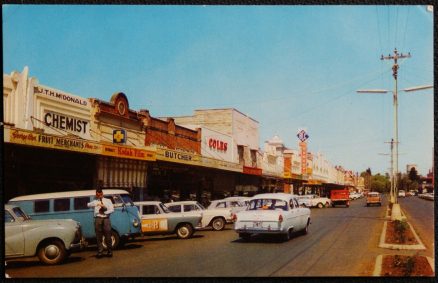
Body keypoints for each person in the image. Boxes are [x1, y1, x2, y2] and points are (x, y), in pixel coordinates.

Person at [87, 188, 114, 258]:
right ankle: (100, 252)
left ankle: (109, 251)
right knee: (98, 236)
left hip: (106, 218)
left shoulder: (108, 200)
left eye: (100, 194)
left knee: (108, 235)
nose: (99, 196)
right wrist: (96, 204)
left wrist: (105, 210)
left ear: (102, 194)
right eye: (98, 195)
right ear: (96, 195)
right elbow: (88, 205)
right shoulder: (95, 201)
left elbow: (112, 209)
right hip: (98, 218)